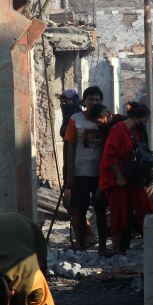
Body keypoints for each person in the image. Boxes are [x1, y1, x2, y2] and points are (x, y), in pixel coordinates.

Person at [99, 102, 153, 256]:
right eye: (143, 121)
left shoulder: (134, 132)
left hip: (130, 179)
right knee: (119, 214)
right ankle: (116, 249)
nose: (144, 124)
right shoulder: (118, 131)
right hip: (115, 180)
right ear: (136, 118)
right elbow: (110, 157)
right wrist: (118, 177)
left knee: (146, 208)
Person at [63, 86, 108, 253]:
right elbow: (70, 147)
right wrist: (69, 175)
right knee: (80, 210)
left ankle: (102, 245)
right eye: (91, 99)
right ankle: (81, 246)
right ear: (84, 101)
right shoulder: (76, 119)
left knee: (100, 209)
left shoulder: (105, 119)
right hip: (80, 172)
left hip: (100, 174)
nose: (94, 102)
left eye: (97, 100)